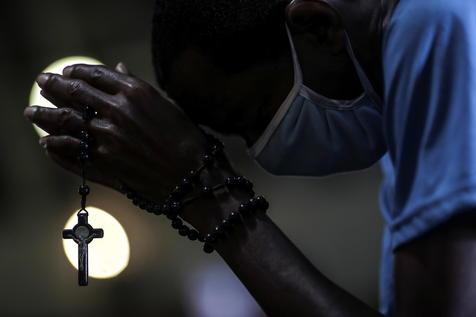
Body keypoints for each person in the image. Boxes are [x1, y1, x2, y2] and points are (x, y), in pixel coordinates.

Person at [24, 0, 476, 315]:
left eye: (254, 117)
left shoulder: (438, 30)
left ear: (317, 27)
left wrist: (204, 190)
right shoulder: (405, 118)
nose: (264, 153)